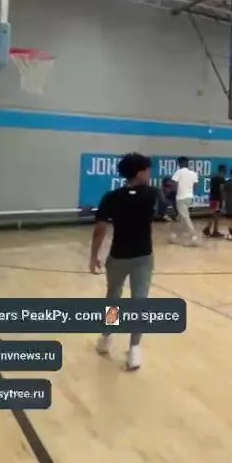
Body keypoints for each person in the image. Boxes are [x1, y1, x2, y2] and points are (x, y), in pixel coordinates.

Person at [89, 152, 159, 371]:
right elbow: (163, 208)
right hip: (143, 257)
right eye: (147, 171)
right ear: (139, 173)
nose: (149, 175)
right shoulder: (152, 194)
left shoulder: (111, 197)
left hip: (118, 256)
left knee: (113, 298)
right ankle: (134, 349)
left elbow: (100, 229)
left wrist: (93, 256)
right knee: (139, 303)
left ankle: (106, 336)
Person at [170, 156, 199, 246]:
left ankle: (194, 236)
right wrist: (190, 192)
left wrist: (177, 192)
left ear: (180, 163)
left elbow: (174, 184)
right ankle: (176, 236)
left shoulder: (178, 172)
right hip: (189, 197)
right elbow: (195, 185)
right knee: (182, 218)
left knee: (185, 218)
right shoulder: (193, 173)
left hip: (181, 198)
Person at [203, 164, 228, 239]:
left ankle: (210, 229)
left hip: (212, 197)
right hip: (217, 198)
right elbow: (222, 189)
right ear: (224, 170)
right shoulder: (221, 178)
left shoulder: (213, 177)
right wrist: (223, 200)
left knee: (214, 214)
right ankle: (212, 230)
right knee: (216, 214)